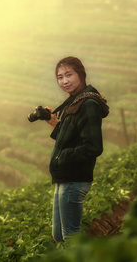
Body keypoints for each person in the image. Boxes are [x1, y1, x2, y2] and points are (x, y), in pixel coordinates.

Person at [45, 56, 109, 243]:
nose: (64, 81)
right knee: (59, 236)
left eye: (69, 75)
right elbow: (72, 138)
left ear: (81, 74)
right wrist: (54, 123)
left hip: (74, 178)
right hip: (64, 178)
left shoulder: (88, 104)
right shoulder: (75, 102)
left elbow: (93, 146)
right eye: (60, 77)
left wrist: (63, 156)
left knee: (70, 237)